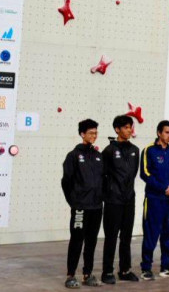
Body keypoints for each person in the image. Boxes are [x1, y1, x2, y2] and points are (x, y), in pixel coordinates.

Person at [61, 119, 104, 288]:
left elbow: (103, 179)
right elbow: (66, 181)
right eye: (91, 133)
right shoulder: (73, 156)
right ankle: (70, 275)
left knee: (91, 241)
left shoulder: (98, 156)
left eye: (96, 133)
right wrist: (74, 202)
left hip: (96, 207)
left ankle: (88, 274)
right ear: (82, 134)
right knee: (77, 240)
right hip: (80, 207)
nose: (94, 136)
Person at [139, 120, 169, 280]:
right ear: (159, 133)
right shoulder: (149, 150)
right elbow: (145, 173)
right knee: (151, 234)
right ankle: (146, 268)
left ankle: (166, 267)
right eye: (166, 132)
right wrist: (164, 188)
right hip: (154, 199)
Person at [101, 115, 140, 284]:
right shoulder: (109, 151)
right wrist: (109, 194)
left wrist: (127, 192)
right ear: (117, 130)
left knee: (126, 237)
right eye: (126, 127)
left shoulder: (135, 150)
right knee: (111, 237)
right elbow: (102, 176)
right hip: (113, 201)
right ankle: (107, 271)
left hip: (129, 200)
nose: (129, 130)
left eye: (130, 127)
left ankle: (124, 270)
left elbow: (133, 174)